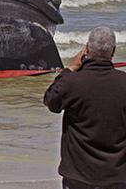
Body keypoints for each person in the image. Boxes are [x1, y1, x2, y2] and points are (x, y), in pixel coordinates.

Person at [44, 26, 126, 189]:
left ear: (86, 50)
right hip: (117, 174)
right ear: (113, 52)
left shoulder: (72, 82)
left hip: (78, 174)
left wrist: (69, 69)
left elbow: (50, 100)